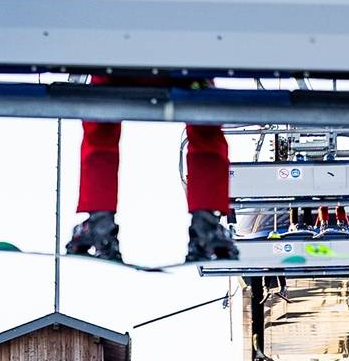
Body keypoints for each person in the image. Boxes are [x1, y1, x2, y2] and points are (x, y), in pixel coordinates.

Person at [65, 84, 237, 264]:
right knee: (205, 122)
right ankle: (205, 226)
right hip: (187, 70)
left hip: (115, 68)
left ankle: (100, 224)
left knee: (100, 123)